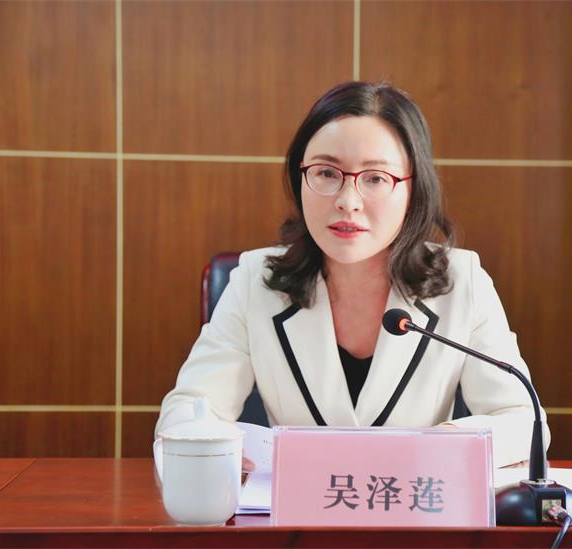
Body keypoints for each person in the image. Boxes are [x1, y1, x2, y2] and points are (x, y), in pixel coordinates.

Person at [155, 81, 549, 469]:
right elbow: (188, 411)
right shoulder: (255, 280)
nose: (348, 201)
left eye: (376, 178)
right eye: (327, 173)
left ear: (413, 189)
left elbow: (522, 421)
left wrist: (443, 445)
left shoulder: (463, 281)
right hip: (296, 509)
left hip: (414, 505)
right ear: (300, 177)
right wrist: (213, 449)